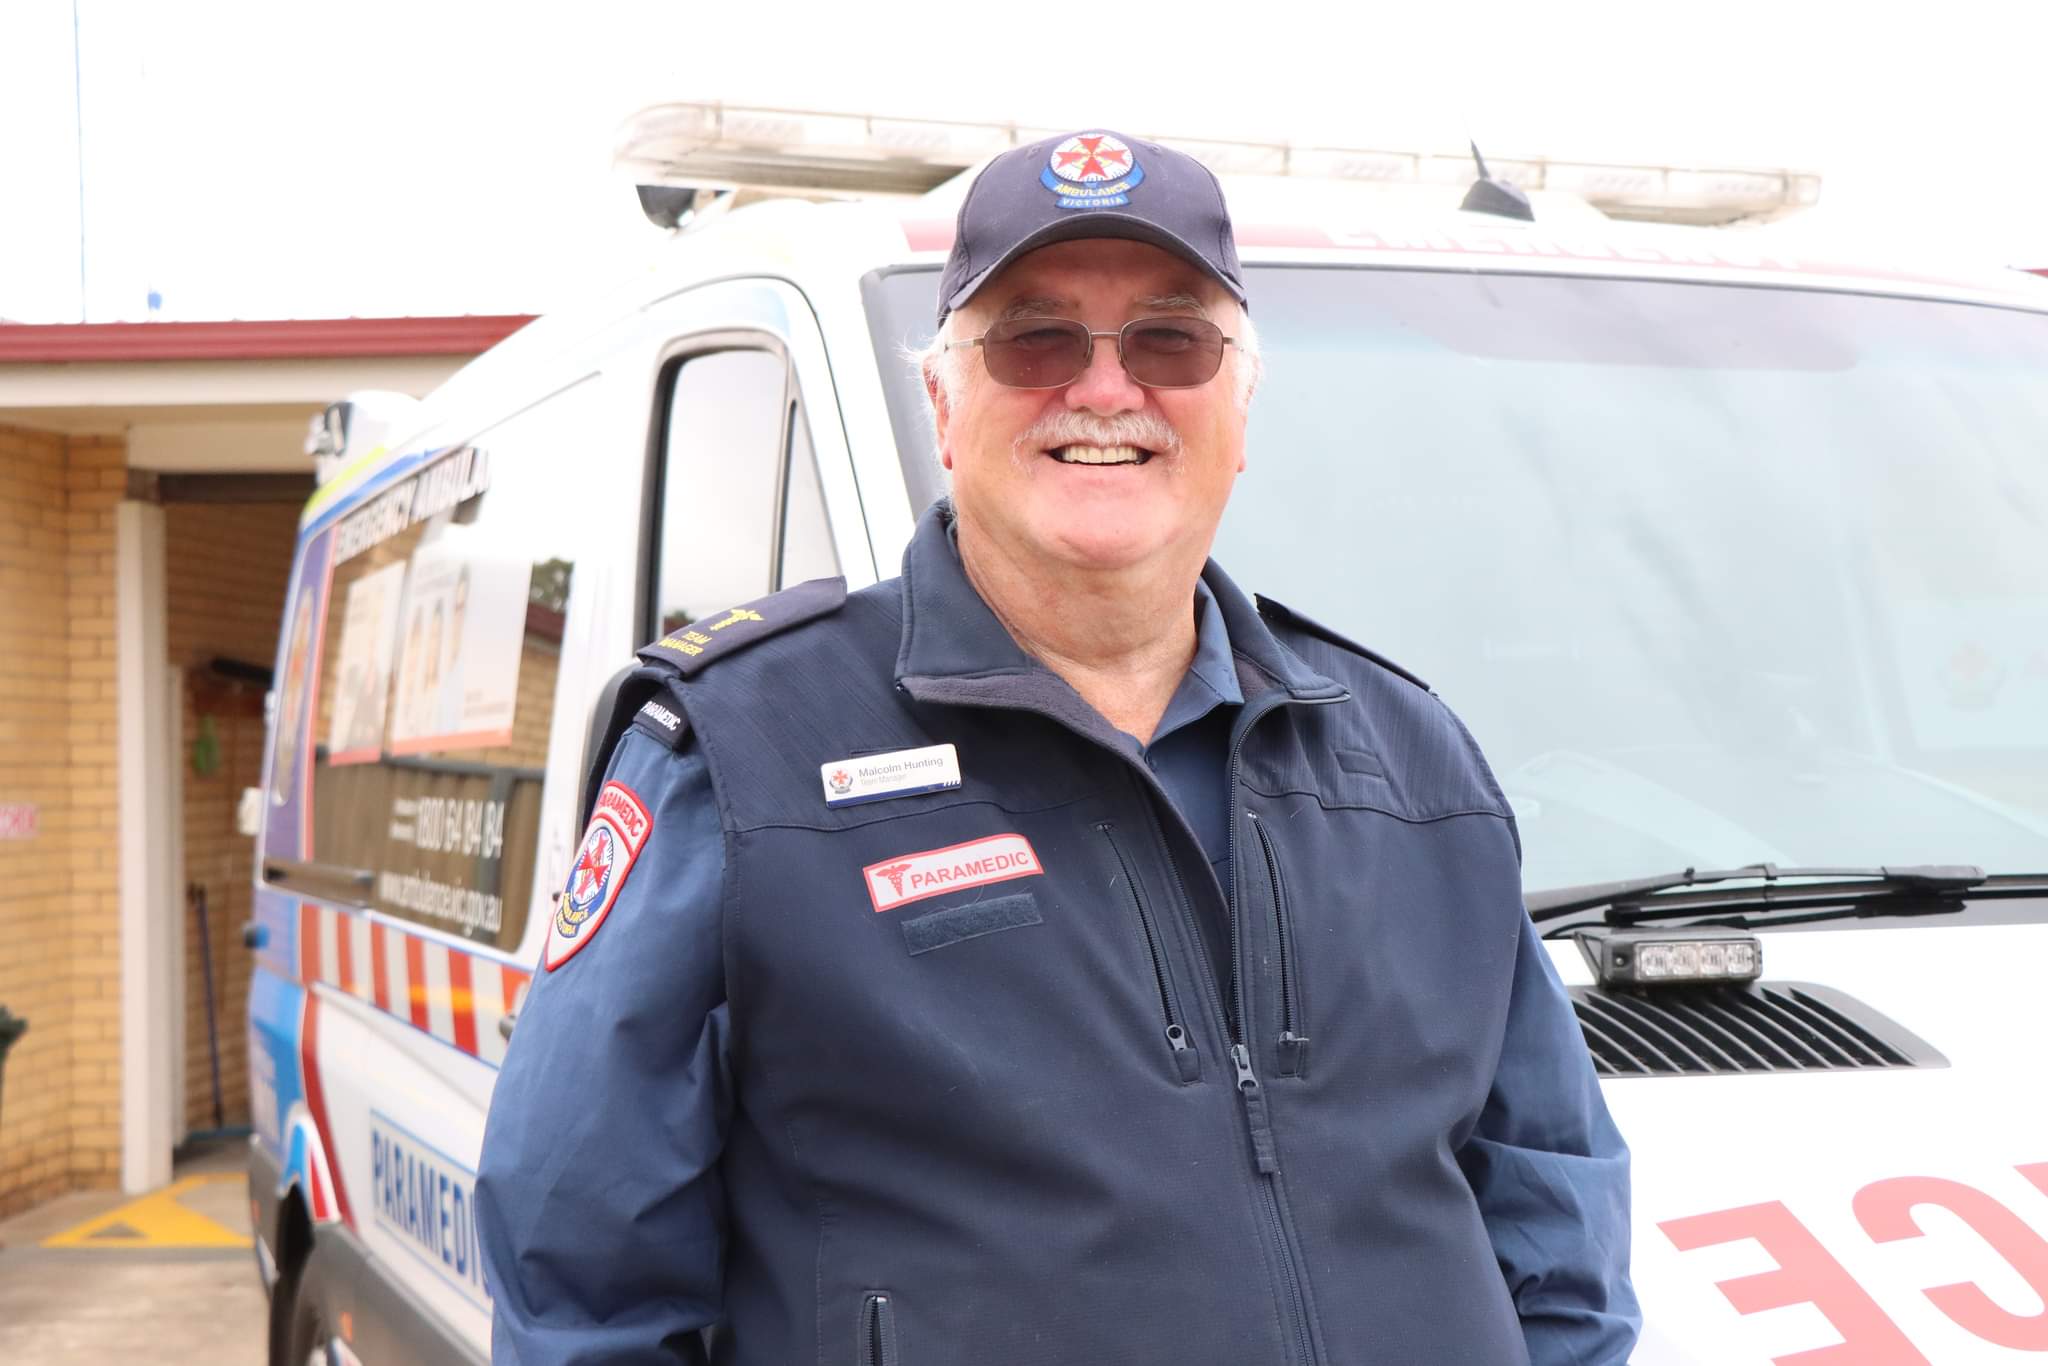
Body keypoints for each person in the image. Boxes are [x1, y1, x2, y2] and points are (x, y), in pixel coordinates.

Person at [477, 129, 1639, 1366]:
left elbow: (1551, 1212)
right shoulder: (740, 750)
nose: (1103, 390)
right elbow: (582, 1281)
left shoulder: (1411, 765)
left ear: (1238, 407)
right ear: (942, 401)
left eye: (1168, 339)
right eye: (1034, 339)